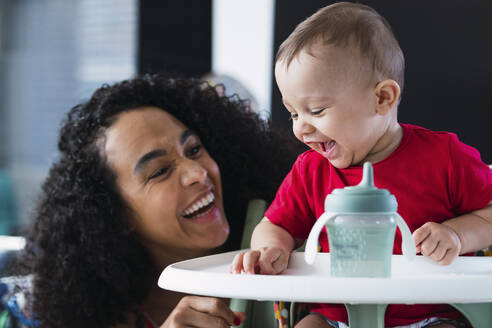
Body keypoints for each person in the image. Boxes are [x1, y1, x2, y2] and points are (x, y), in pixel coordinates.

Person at [230, 2, 492, 328]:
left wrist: (456, 236)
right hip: (336, 317)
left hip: (432, 315)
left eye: (317, 110)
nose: (301, 128)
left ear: (382, 98)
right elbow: (275, 225)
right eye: (294, 113)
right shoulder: (310, 170)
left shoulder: (445, 157)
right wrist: (270, 249)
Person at [0, 73, 303, 327]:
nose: (197, 173)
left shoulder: (291, 244)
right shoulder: (87, 314)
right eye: (159, 171)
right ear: (116, 215)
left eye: (194, 149)